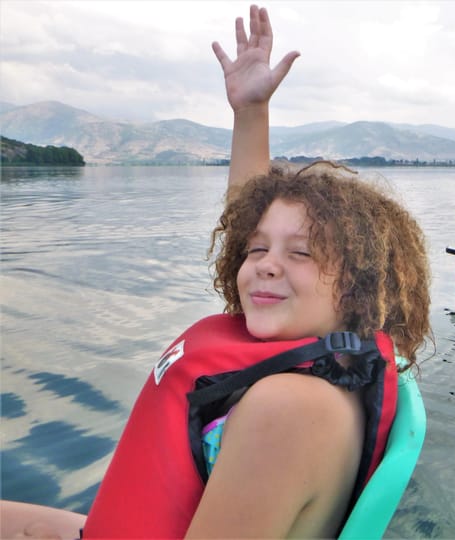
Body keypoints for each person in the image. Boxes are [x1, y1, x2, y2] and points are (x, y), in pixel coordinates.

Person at [0, 5, 431, 539]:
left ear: (360, 286)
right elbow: (248, 225)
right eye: (256, 251)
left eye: (301, 254)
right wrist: (251, 113)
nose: (268, 265)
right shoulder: (301, 353)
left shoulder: (291, 408)